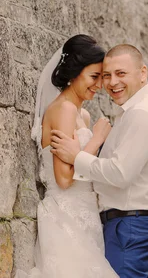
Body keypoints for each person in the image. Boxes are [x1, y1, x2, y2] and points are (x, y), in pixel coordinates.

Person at [50, 44, 148, 278]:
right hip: (129, 226)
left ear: (143, 73)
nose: (111, 82)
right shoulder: (135, 111)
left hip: (131, 228)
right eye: (106, 75)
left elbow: (120, 173)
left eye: (121, 73)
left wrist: (76, 157)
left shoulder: (143, 115)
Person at [16, 34, 118, 278]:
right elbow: (63, 179)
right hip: (65, 216)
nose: (99, 85)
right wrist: (96, 140)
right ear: (74, 73)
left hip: (87, 217)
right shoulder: (63, 109)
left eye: (100, 78)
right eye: (94, 76)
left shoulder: (83, 116)